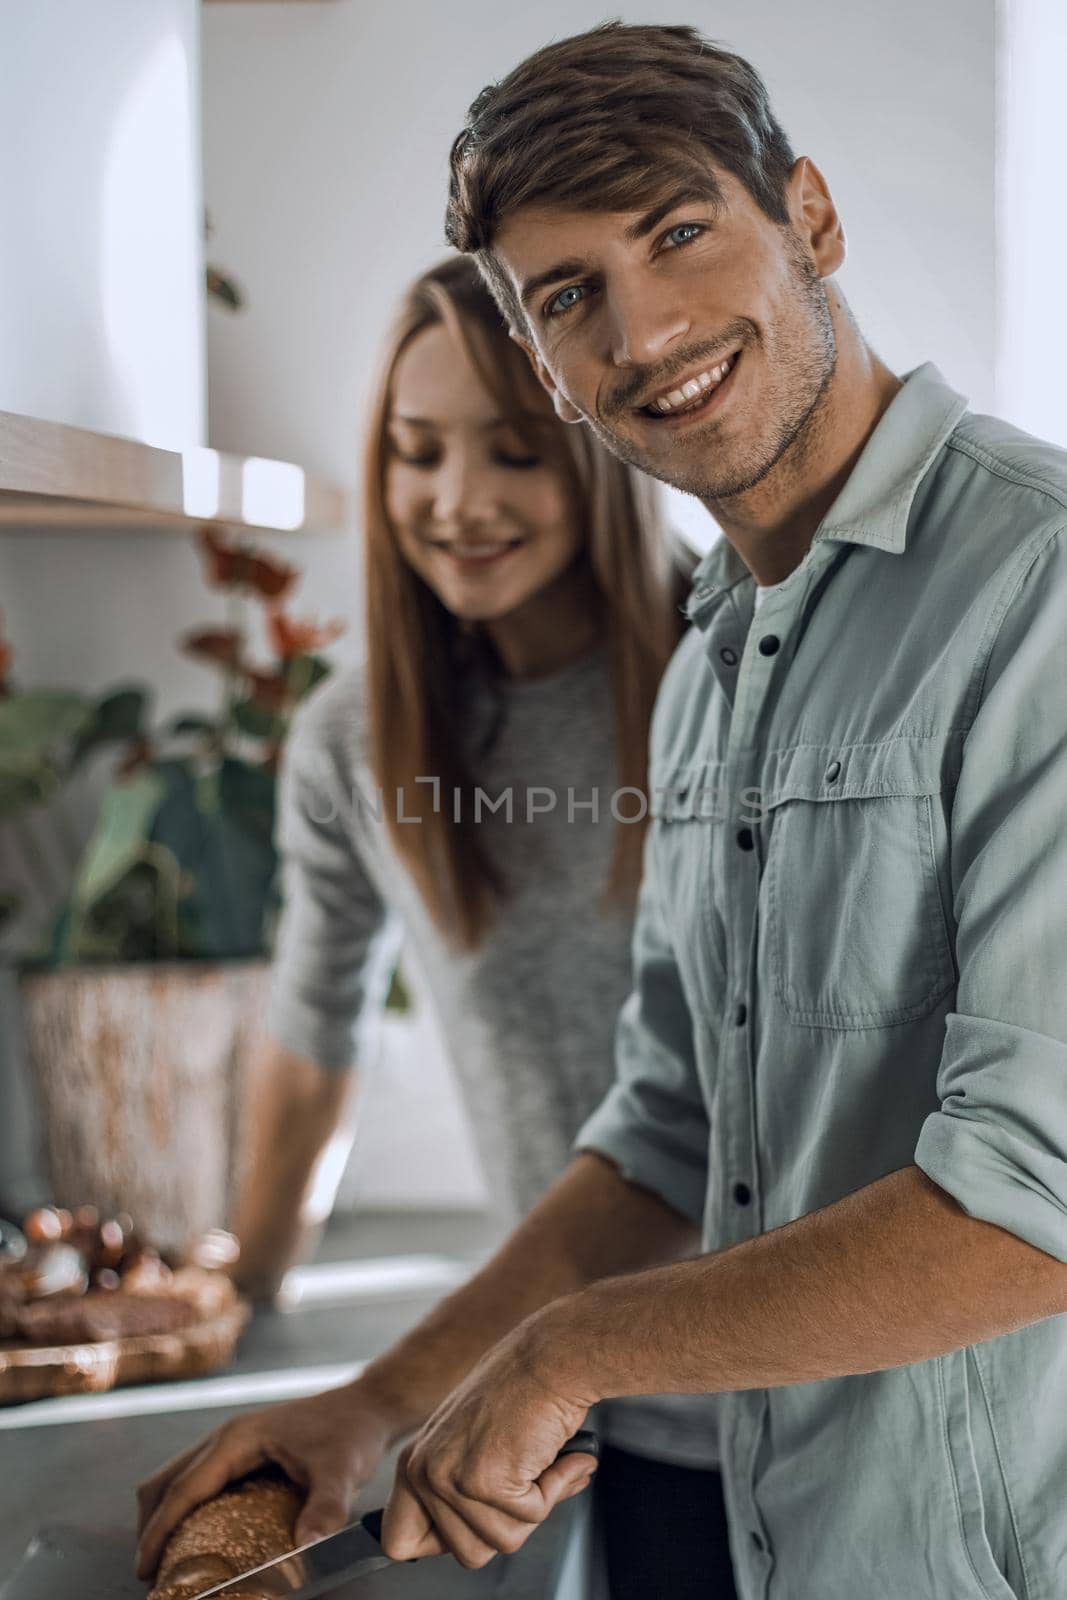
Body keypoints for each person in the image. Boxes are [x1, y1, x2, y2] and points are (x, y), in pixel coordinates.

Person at [140, 22, 1067, 1598]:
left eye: (679, 234)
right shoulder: (714, 657)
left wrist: (575, 1353)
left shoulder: (1039, 587)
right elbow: (664, 1131)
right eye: (568, 297)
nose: (640, 332)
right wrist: (377, 1406)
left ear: (812, 219)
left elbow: (1035, 1205)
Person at [140, 255, 734, 1597]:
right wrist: (248, 1301)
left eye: (515, 455)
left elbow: (686, 1117)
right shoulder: (359, 735)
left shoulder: (734, 662)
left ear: (597, 447)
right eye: (416, 454)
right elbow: (312, 1024)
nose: (456, 504)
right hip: (584, 1389)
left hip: (804, 1374)